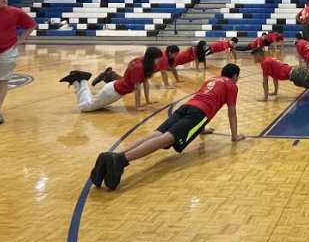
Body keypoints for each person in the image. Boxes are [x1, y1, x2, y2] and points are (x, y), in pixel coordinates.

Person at [89, 64, 245, 191]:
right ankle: (122, 159)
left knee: (155, 135)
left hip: (186, 106)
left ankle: (115, 156)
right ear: (235, 76)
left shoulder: (212, 80)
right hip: (198, 114)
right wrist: (235, 135)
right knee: (165, 140)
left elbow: (206, 98)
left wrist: (202, 129)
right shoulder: (232, 85)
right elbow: (231, 112)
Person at [61, 47, 162, 112]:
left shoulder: (145, 65)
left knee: (91, 101)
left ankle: (79, 79)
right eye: (158, 58)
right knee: (84, 107)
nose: (159, 60)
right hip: (112, 92)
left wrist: (148, 101)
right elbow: (137, 88)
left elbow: (145, 82)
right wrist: (137, 106)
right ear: (152, 58)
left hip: (114, 89)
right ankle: (81, 80)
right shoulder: (138, 67)